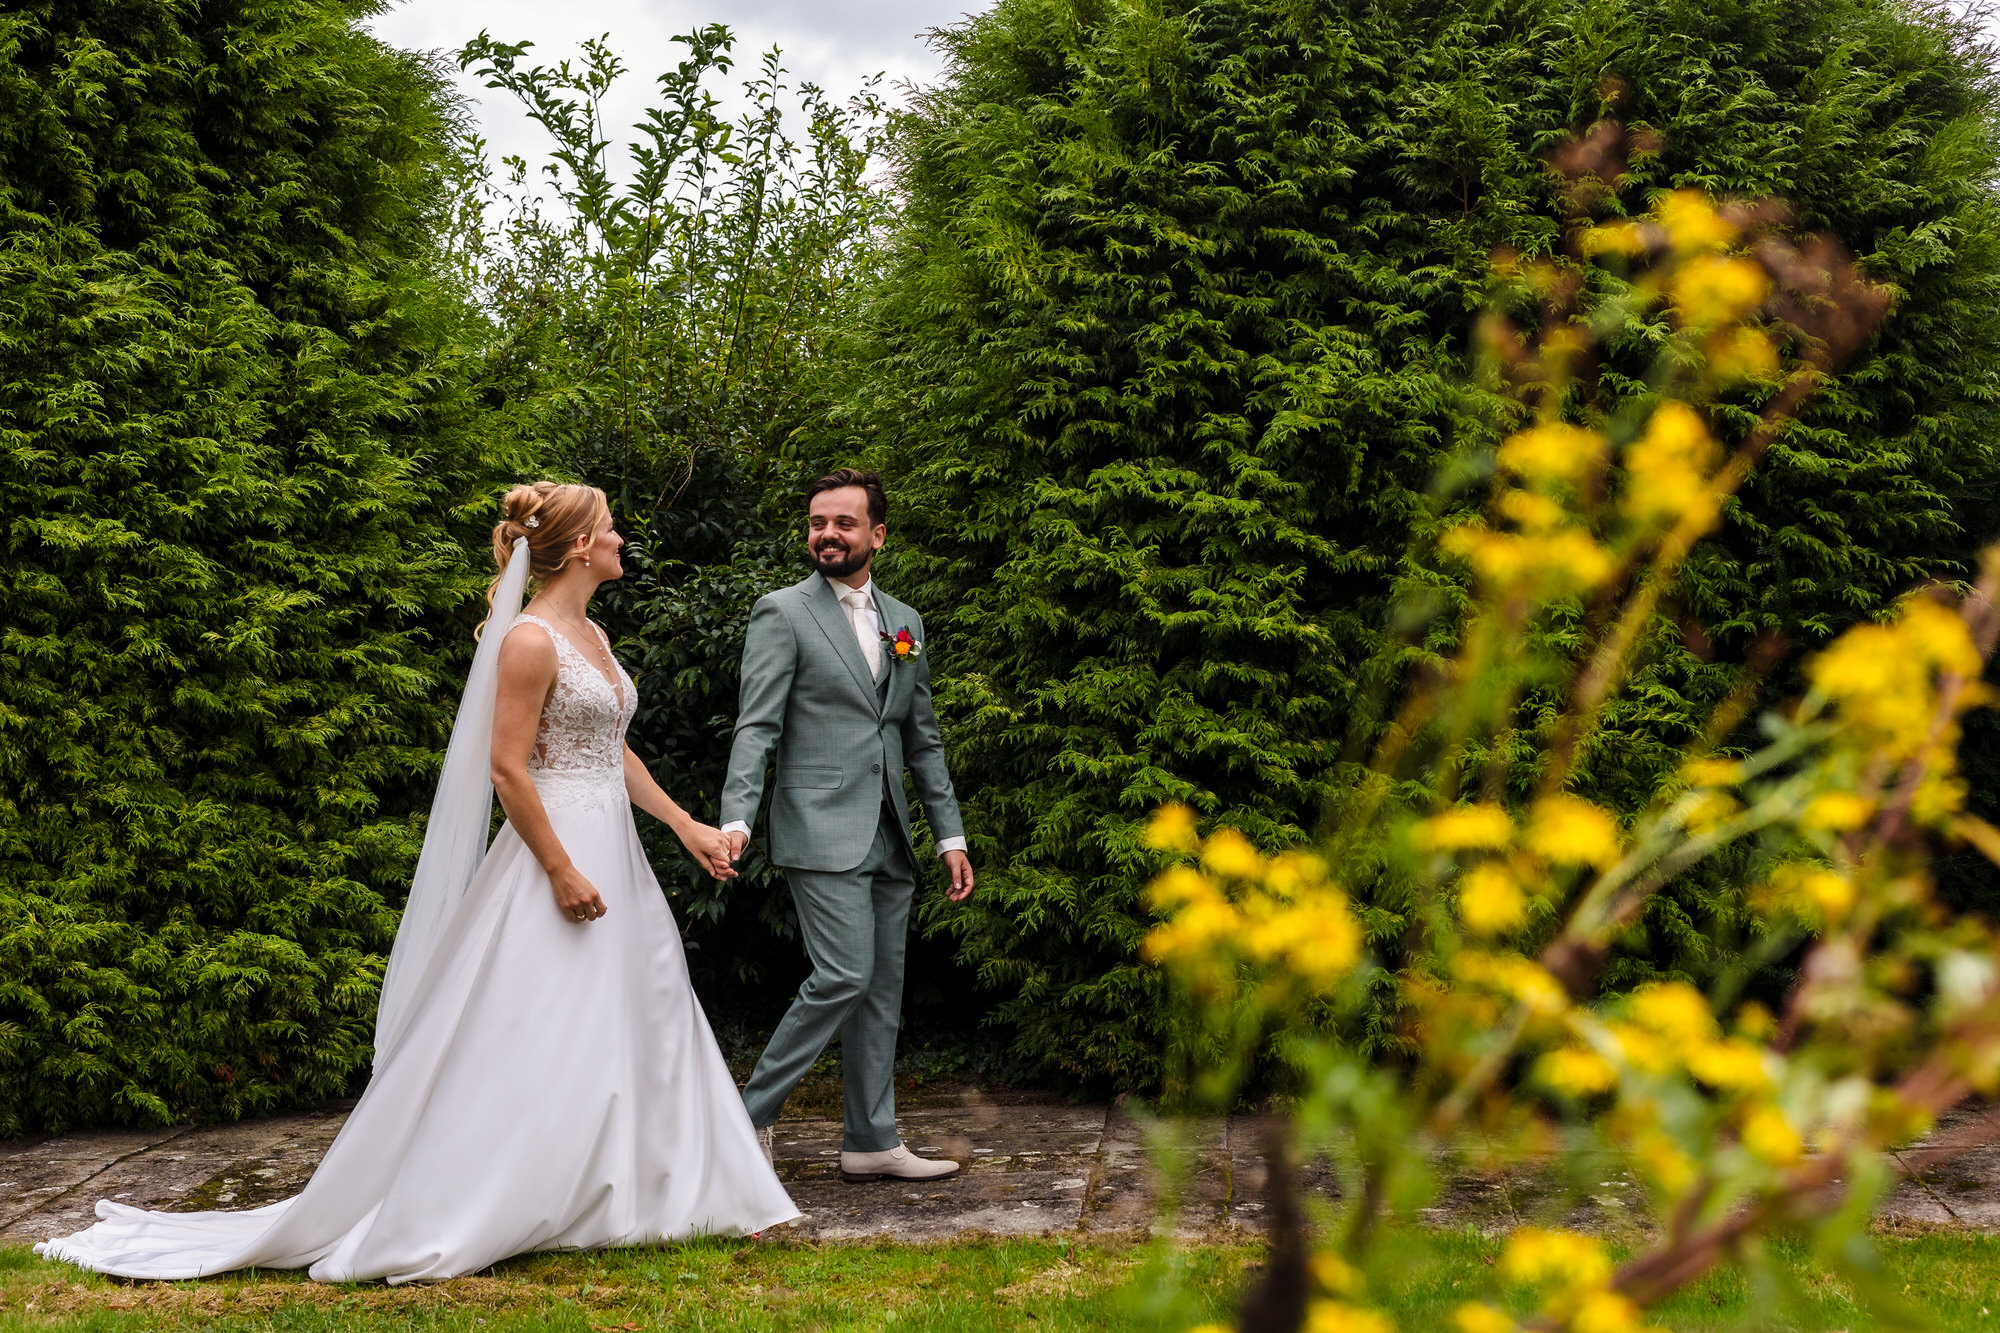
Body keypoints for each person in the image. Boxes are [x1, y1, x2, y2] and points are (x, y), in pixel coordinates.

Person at [35, 483, 798, 1283]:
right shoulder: (530, 641)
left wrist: (684, 824)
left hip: (614, 843)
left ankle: (633, 1185)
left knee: (635, 1004)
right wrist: (560, 868)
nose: (619, 540)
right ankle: (500, 1192)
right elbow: (508, 767)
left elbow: (613, 748)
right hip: (560, 848)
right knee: (539, 1018)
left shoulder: (594, 632)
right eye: (609, 529)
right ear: (577, 547)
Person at [721, 468, 973, 1184]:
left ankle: (870, 1137)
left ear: (877, 535)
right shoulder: (782, 612)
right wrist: (736, 815)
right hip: (817, 824)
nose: (826, 534)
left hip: (890, 831)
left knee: (881, 988)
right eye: (817, 522)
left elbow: (921, 739)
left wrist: (948, 835)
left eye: (843, 522)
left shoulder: (905, 622)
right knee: (842, 973)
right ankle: (744, 1121)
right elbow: (756, 724)